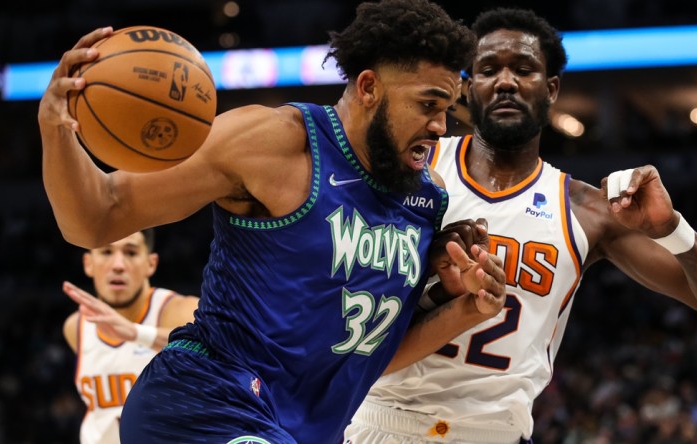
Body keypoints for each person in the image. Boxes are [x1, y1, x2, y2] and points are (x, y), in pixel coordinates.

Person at [38, 1, 508, 442]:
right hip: (202, 401)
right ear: (368, 88)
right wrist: (56, 129)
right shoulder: (271, 144)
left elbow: (367, 358)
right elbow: (97, 218)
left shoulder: (426, 199)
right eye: (428, 105)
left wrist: (468, 306)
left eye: (447, 109)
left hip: (288, 428)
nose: (441, 126)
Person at [345, 7, 697, 444]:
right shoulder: (417, 167)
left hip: (494, 432)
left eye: (524, 69)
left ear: (552, 89)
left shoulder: (587, 210)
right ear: (467, 88)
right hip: (383, 418)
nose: (506, 81)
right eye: (489, 70)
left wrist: (671, 229)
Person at [61, 228, 199, 444]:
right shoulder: (75, 327)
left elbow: (213, 345)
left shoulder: (178, 310)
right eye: (106, 252)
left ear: (151, 264)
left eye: (131, 253)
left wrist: (135, 333)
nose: (118, 265)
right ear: (88, 263)